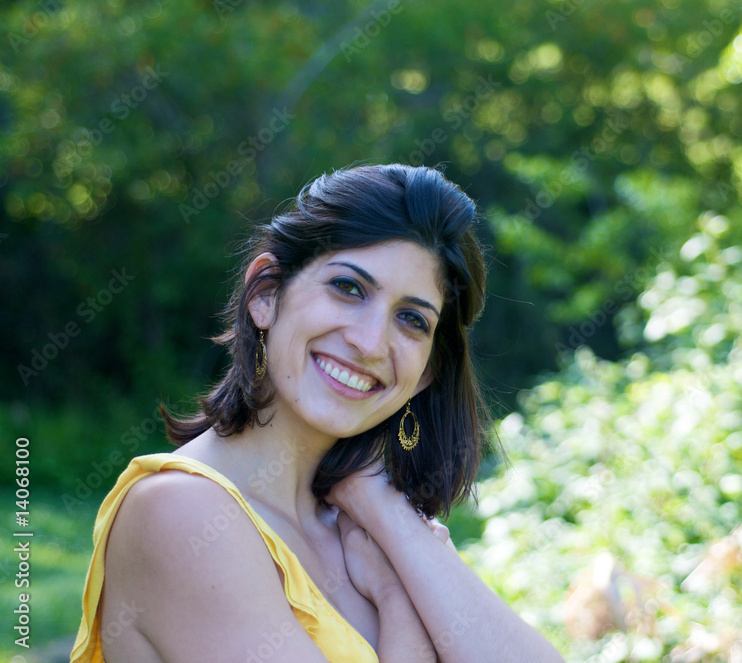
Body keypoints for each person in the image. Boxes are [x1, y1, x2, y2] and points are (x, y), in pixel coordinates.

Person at [70, 164, 564, 662]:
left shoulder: (368, 526)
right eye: (348, 288)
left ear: (426, 372)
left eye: (412, 319)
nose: (370, 343)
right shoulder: (181, 513)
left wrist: (389, 514)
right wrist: (397, 601)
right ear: (266, 293)